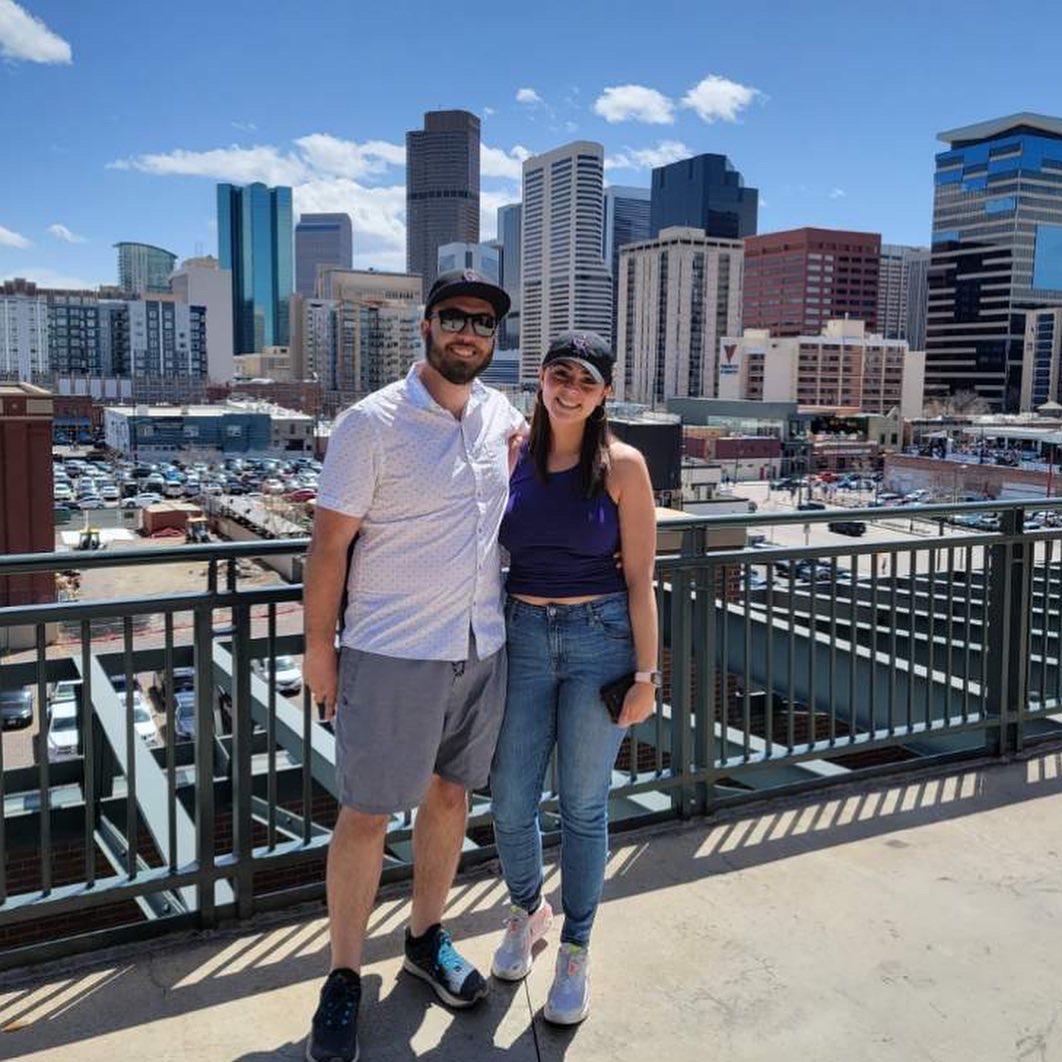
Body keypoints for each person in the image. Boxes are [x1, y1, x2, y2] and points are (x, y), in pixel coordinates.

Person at [303, 269, 525, 1062]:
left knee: (452, 797)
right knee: (365, 814)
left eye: (484, 324)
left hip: (479, 647)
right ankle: (341, 978)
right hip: (391, 651)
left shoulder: (503, 416)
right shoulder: (373, 423)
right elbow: (328, 545)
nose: (470, 332)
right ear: (426, 327)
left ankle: (426, 937)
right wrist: (319, 652)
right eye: (455, 318)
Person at [488, 331, 659, 1025]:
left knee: (584, 805)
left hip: (600, 641)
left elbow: (643, 580)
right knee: (508, 798)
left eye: (587, 381)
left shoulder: (625, 465)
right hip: (523, 636)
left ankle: (577, 950)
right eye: (561, 375)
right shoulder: (512, 453)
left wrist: (647, 675)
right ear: (541, 377)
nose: (571, 389)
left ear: (605, 393)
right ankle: (529, 912)